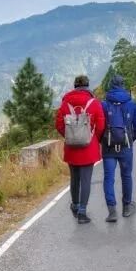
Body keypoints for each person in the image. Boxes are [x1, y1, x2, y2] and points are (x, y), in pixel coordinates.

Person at [56, 75, 105, 224]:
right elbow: (101, 125)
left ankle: (75, 205)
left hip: (71, 148)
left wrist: (70, 136)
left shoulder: (65, 103)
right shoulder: (94, 103)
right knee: (86, 180)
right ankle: (82, 213)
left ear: (75, 86)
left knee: (74, 179)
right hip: (88, 149)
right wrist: (93, 138)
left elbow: (59, 124)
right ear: (87, 86)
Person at [101, 75, 136, 222]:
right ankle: (126, 207)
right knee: (126, 176)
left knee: (109, 178)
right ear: (123, 85)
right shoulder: (132, 104)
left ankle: (112, 212)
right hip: (126, 147)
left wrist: (103, 140)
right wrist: (130, 139)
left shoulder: (104, 104)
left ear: (111, 85)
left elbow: (100, 126)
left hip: (108, 147)